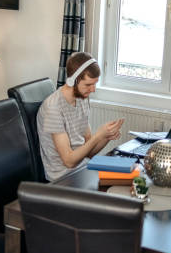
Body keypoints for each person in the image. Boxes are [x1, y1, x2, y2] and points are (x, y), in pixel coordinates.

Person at [37, 52, 123, 181]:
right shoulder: (53, 108)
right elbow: (69, 161)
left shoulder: (82, 98)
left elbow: (89, 152)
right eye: (88, 85)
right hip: (62, 177)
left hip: (82, 167)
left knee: (126, 177)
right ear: (73, 81)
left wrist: (106, 136)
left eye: (95, 84)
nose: (93, 89)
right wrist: (98, 136)